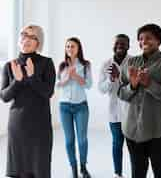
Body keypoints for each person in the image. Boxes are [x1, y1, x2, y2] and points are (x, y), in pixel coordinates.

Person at [118, 24, 161, 178]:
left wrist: (149, 84)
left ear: (158, 41)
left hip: (159, 130)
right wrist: (132, 86)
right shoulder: (130, 62)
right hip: (132, 129)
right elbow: (121, 93)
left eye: (148, 38)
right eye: (140, 38)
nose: (143, 41)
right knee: (137, 171)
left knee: (159, 169)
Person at [0, 25, 56, 178]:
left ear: (39, 43)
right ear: (19, 39)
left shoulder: (46, 63)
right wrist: (17, 82)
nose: (27, 39)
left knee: (40, 170)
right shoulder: (9, 66)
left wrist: (32, 77)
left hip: (40, 127)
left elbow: (48, 92)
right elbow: (4, 96)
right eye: (24, 35)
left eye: (32, 37)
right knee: (19, 172)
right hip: (17, 127)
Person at [56, 37, 92, 178]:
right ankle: (74, 168)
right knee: (69, 140)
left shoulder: (85, 64)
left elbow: (88, 84)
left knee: (82, 139)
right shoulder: (61, 65)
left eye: (73, 46)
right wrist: (65, 79)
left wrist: (75, 75)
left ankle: (83, 167)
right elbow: (57, 85)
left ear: (78, 49)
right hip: (64, 106)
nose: (70, 49)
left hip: (81, 106)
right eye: (68, 46)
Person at [98, 34, 131, 178]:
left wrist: (121, 77)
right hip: (114, 113)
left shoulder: (134, 62)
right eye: (117, 43)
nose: (119, 46)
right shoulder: (106, 64)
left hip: (131, 112)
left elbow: (136, 87)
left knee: (133, 146)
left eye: (123, 44)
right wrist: (111, 80)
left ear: (128, 46)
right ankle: (117, 173)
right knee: (117, 143)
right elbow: (101, 89)